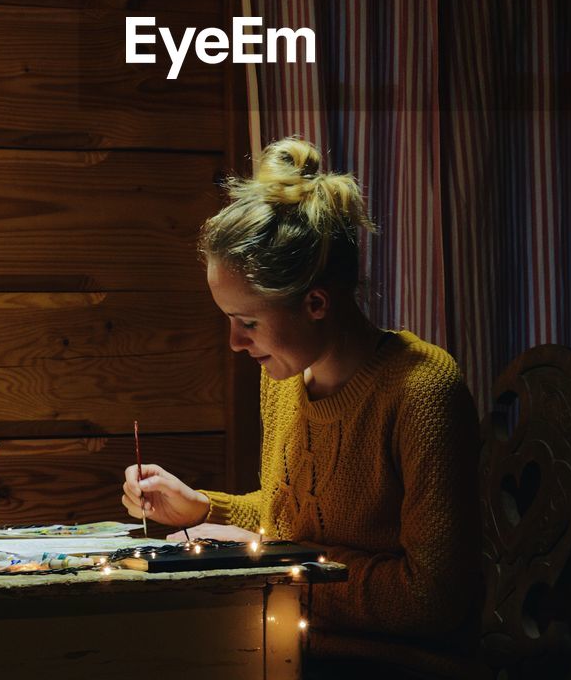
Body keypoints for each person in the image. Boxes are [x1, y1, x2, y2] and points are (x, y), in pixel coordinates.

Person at [122, 137, 483, 679]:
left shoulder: (423, 390)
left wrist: (273, 562)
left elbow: (433, 599)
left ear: (316, 302)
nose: (235, 344)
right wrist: (204, 511)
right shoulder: (286, 377)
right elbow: (290, 522)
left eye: (248, 322)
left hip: (385, 667)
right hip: (277, 645)